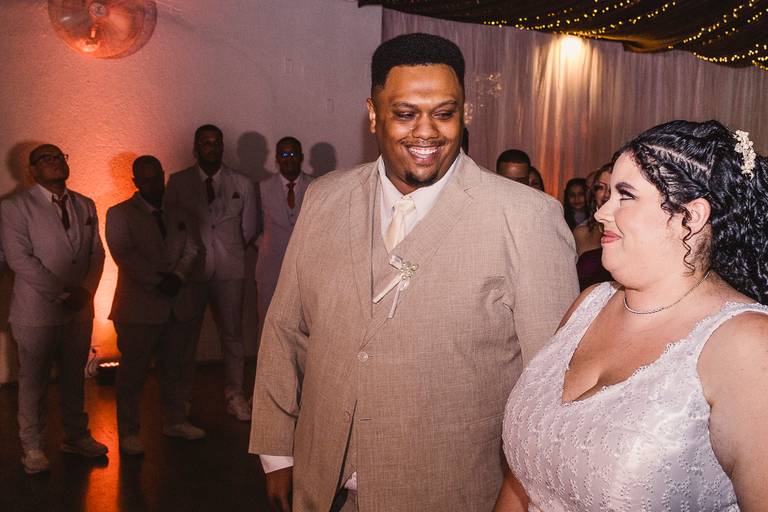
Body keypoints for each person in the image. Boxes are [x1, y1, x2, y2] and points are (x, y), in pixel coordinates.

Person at [249, 32, 578, 512]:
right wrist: (277, 453)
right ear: (373, 114)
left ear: (463, 113)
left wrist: (526, 496)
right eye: (405, 114)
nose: (427, 132)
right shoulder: (324, 198)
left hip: (451, 490)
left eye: (444, 114)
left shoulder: (527, 217)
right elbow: (284, 329)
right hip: (321, 485)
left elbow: (550, 385)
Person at [498, 120, 768, 510]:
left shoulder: (747, 345)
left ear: (690, 217)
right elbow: (522, 480)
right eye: (606, 194)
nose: (602, 212)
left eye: (625, 196)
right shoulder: (588, 306)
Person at [0, 144, 107, 474]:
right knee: (33, 381)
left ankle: (75, 436)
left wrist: (86, 290)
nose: (55, 161)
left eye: (59, 156)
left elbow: (96, 253)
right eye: (46, 158)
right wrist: (61, 294)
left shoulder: (85, 203)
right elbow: (19, 259)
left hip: (79, 307)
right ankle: (32, 446)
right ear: (32, 170)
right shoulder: (15, 206)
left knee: (74, 376)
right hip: (36, 309)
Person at [106, 155, 208, 454]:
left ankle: (175, 420)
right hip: (139, 307)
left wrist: (178, 276)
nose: (152, 184)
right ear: (135, 182)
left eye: (156, 177)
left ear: (163, 175)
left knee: (174, 368)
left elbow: (193, 247)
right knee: (132, 374)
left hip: (176, 303)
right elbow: (124, 254)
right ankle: (128, 432)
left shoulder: (179, 211)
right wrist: (157, 281)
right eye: (145, 180)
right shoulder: (120, 213)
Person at [165, 124, 259, 422]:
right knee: (186, 338)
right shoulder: (179, 182)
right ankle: (181, 400)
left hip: (230, 269)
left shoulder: (241, 182)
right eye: (206, 142)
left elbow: (249, 228)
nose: (212, 147)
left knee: (233, 336)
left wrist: (229, 250)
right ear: (196, 147)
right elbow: (172, 227)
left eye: (216, 142)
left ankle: (235, 395)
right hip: (191, 271)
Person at [254, 137, 313, 334]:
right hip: (270, 270)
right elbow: (252, 228)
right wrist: (268, 247)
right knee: (268, 327)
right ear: (277, 158)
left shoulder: (316, 186)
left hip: (305, 272)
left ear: (301, 157)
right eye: (284, 154)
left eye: (293, 154)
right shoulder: (262, 187)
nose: (289, 158)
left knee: (304, 329)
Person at [573, 163, 612, 290]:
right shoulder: (581, 233)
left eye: (612, 188)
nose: (606, 194)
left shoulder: (630, 233)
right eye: (601, 187)